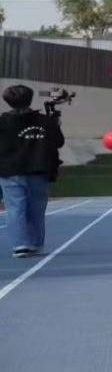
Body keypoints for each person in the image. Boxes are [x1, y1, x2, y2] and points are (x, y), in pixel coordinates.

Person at [0, 85, 64, 258]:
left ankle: (20, 245)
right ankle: (35, 243)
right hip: (39, 170)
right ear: (30, 99)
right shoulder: (45, 121)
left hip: (10, 171)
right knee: (36, 209)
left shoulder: (3, 122)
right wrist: (56, 123)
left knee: (15, 209)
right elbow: (58, 142)